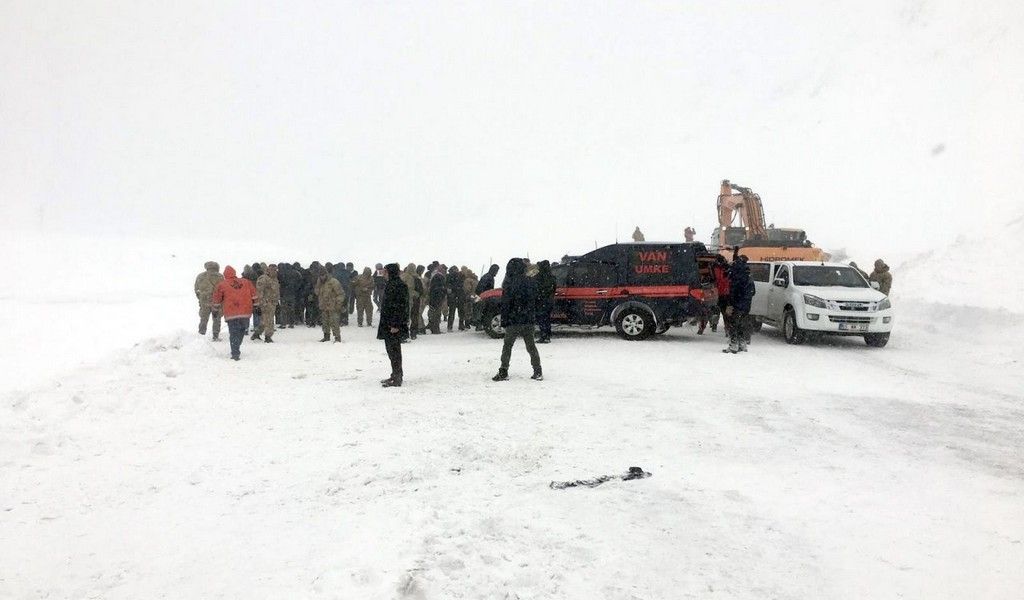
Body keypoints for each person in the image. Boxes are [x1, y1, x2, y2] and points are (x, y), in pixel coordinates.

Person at [493, 258, 543, 381]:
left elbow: (506, 304)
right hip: (528, 319)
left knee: (507, 346)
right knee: (531, 346)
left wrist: (504, 320)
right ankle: (537, 370)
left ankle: (503, 370)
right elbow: (535, 300)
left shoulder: (509, 283)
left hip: (514, 319)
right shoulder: (530, 281)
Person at [211, 266, 257, 360]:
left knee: (233, 333)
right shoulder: (246, 282)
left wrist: (215, 310)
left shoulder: (222, 285)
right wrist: (257, 306)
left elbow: (217, 299)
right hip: (245, 312)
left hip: (231, 313)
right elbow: (254, 294)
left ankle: (235, 352)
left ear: (225, 275)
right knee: (241, 331)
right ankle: (236, 346)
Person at [378, 263, 409, 387]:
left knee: (394, 351)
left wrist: (395, 324)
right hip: (389, 323)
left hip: (394, 324)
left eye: (385, 271)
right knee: (391, 351)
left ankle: (397, 377)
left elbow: (400, 306)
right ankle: (395, 374)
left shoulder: (398, 285)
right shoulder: (391, 284)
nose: (383, 274)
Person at [723, 254, 755, 354]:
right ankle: (742, 344)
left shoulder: (736, 274)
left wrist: (730, 303)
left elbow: (733, 291)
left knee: (733, 324)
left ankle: (733, 345)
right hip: (746, 304)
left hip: (736, 304)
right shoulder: (748, 275)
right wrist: (746, 298)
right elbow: (753, 291)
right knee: (742, 324)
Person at [194, 261, 224, 340]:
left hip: (204, 301)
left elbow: (196, 289)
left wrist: (201, 298)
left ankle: (201, 334)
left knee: (203, 319)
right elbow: (223, 290)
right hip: (216, 302)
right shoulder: (220, 276)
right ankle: (215, 335)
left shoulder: (200, 276)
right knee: (217, 319)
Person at [251, 264, 281, 342]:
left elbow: (275, 290)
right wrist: (261, 302)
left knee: (265, 321)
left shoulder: (274, 279)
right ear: (268, 270)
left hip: (273, 302)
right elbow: (259, 291)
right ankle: (268, 336)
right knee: (269, 320)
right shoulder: (263, 278)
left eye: (275, 270)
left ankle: (256, 334)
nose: (275, 272)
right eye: (273, 270)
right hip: (266, 302)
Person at [316, 268, 345, 342]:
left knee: (334, 322)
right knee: (325, 322)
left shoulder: (334, 282)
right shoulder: (319, 283)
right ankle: (326, 336)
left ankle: (337, 337)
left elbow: (340, 294)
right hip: (323, 305)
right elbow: (317, 292)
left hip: (333, 305)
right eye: (320, 276)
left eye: (323, 275)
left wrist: (338, 303)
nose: (322, 277)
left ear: (326, 274)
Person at [535, 260, 556, 343]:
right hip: (549, 300)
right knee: (547, 318)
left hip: (541, 301)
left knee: (541, 318)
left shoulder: (539, 277)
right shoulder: (551, 276)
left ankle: (543, 335)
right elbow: (553, 288)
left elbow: (536, 288)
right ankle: (547, 335)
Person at [475, 264, 500, 330]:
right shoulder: (488, 277)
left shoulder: (488, 276)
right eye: (497, 271)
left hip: (484, 295)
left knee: (483, 311)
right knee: (483, 310)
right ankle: (478, 325)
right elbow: (483, 288)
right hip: (484, 296)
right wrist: (484, 295)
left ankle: (479, 325)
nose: (497, 273)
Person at [400, 263, 420, 341]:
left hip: (401, 299)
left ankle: (403, 333)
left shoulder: (402, 276)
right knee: (412, 316)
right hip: (411, 299)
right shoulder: (413, 277)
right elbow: (409, 289)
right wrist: (417, 294)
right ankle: (411, 333)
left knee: (404, 316)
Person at [446, 265, 466, 331]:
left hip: (453, 296)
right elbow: (463, 286)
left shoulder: (449, 276)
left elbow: (448, 287)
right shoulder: (461, 276)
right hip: (460, 295)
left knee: (452, 312)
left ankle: (450, 327)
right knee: (461, 312)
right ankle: (461, 326)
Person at [427, 266, 446, 334]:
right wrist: (444, 293)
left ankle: (433, 328)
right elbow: (441, 289)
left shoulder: (434, 277)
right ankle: (436, 329)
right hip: (438, 298)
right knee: (437, 314)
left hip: (433, 298)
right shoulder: (440, 277)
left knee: (433, 313)